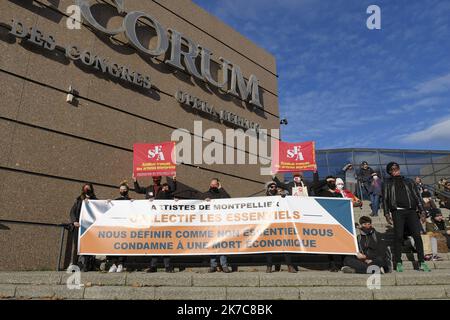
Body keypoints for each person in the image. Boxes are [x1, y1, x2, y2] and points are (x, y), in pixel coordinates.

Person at [382, 162, 431, 272]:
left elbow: (417, 196)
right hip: (397, 212)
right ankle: (398, 262)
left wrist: (422, 210)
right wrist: (386, 213)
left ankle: (421, 261)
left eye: (397, 168)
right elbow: (385, 199)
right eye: (393, 169)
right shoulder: (386, 183)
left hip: (411, 211)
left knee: (417, 236)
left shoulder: (409, 181)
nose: (396, 170)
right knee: (398, 236)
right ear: (389, 171)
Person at [311, 176, 344, 272]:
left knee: (341, 243)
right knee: (330, 244)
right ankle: (332, 264)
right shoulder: (322, 192)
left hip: (339, 221)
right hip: (328, 221)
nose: (332, 182)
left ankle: (342, 263)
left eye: (333, 181)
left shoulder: (339, 194)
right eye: (330, 181)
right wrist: (325, 181)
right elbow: (314, 188)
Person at [264, 181, 296, 273]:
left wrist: (283, 194)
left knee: (286, 245)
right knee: (269, 247)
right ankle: (269, 266)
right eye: (271, 187)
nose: (273, 188)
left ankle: (290, 266)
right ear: (268, 188)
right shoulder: (264, 198)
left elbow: (288, 193)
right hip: (269, 225)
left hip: (282, 224)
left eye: (275, 186)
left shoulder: (282, 197)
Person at [147, 177, 177, 273]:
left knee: (166, 247)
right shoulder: (157, 198)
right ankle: (153, 266)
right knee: (155, 246)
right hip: (157, 225)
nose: (165, 189)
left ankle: (167, 266)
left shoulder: (171, 198)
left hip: (167, 226)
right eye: (163, 188)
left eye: (167, 188)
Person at [203, 178, 231, 273]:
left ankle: (224, 265)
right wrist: (204, 201)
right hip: (210, 225)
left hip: (221, 225)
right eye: (211, 184)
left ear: (218, 184)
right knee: (212, 245)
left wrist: (221, 188)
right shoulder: (206, 194)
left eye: (215, 185)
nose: (212, 186)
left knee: (222, 245)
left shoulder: (221, 193)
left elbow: (228, 199)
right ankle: (213, 265)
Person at [69, 183, 98, 272]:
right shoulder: (79, 200)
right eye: (85, 188)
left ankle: (86, 265)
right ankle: (74, 265)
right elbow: (72, 212)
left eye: (88, 188)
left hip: (89, 228)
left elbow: (101, 207)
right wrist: (74, 221)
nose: (87, 190)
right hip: (79, 226)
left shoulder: (95, 200)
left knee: (88, 246)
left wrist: (107, 202)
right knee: (77, 246)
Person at [107, 181, 132, 273]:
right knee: (113, 245)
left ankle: (121, 264)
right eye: (121, 189)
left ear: (127, 190)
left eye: (124, 189)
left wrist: (134, 203)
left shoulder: (131, 201)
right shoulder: (115, 201)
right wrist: (108, 203)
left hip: (125, 227)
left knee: (123, 246)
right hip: (115, 227)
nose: (122, 191)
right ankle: (114, 264)